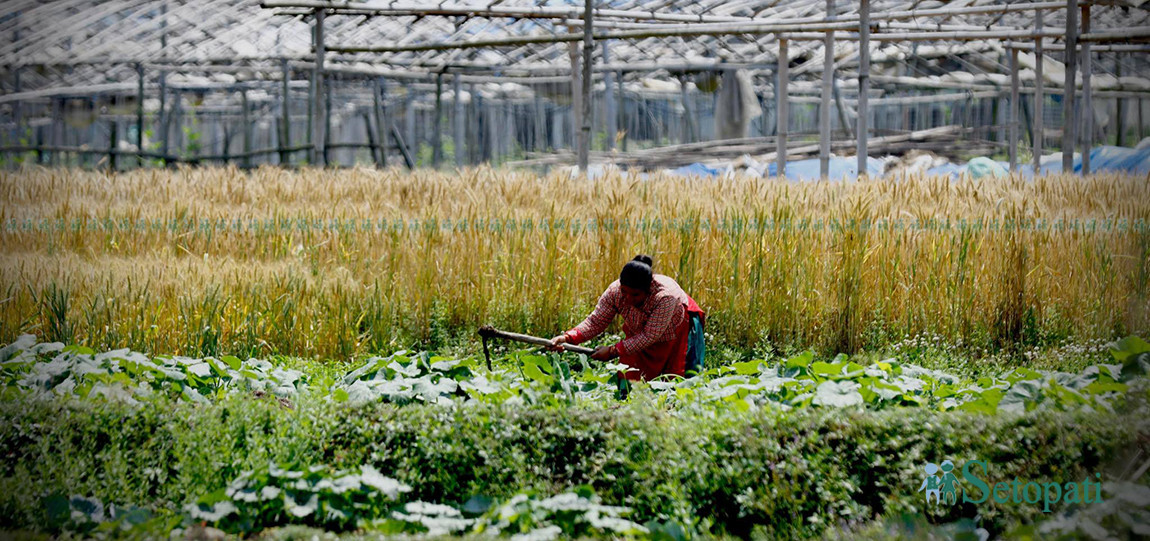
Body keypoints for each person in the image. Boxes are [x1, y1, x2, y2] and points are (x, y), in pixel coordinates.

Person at [549, 254, 706, 380]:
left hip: (675, 332)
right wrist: (568, 338)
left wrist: (612, 351)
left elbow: (649, 336)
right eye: (625, 292)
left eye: (635, 294)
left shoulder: (665, 297)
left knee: (673, 381)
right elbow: (596, 321)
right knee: (631, 376)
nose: (628, 299)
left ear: (648, 290)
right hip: (639, 335)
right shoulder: (615, 292)